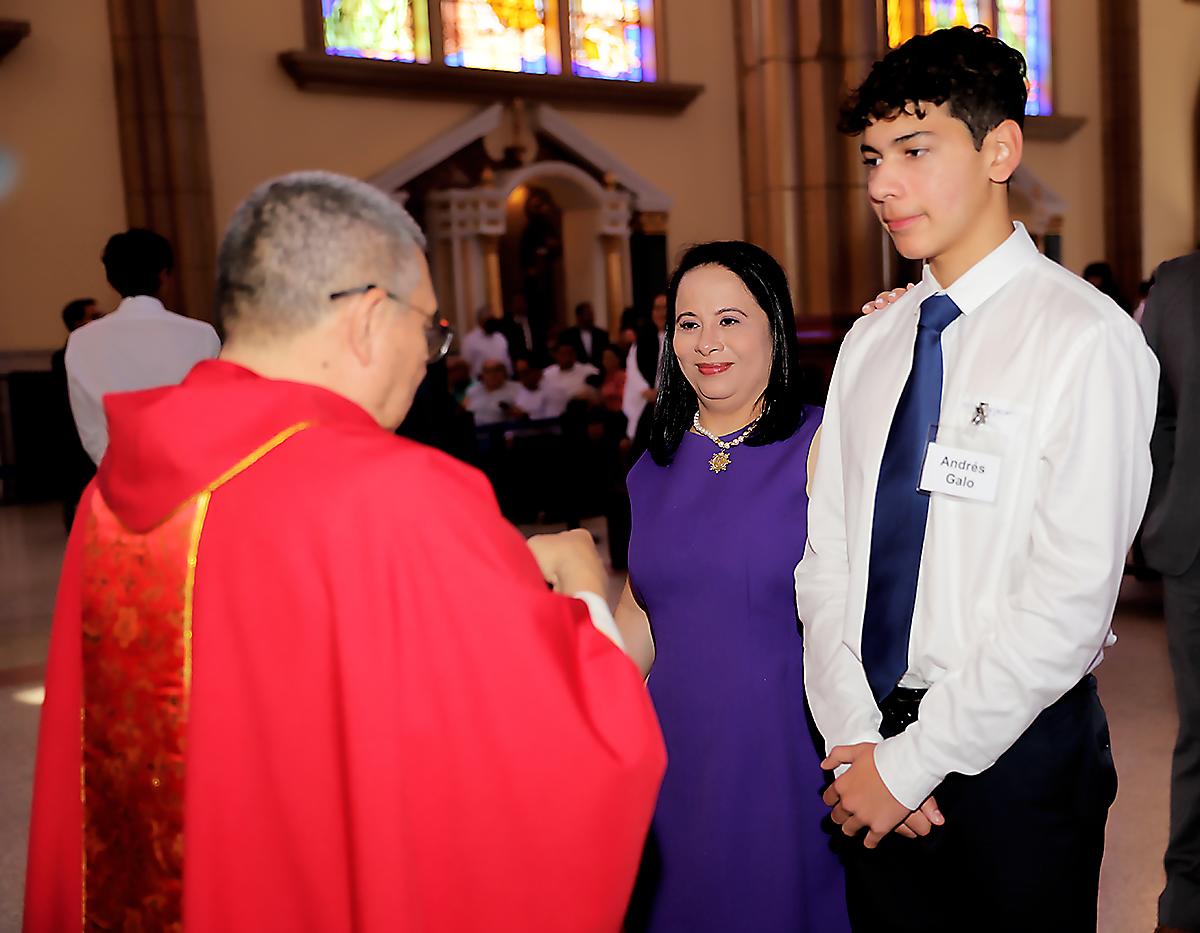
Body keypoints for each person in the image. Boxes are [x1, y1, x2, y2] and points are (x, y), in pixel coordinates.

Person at [24, 171, 665, 932]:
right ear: (368, 317)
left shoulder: (121, 487)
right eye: (430, 328)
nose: (430, 356)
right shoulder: (396, 493)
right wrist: (588, 592)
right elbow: (557, 758)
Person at [795, 26, 1159, 932]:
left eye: (916, 150)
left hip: (1015, 760)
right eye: (874, 156)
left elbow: (1068, 606)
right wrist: (856, 744)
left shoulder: (1085, 337)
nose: (883, 184)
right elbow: (828, 556)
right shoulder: (874, 340)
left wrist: (912, 765)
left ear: (1000, 148)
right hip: (867, 743)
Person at [617, 241, 848, 932]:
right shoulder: (651, 462)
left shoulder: (820, 444)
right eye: (687, 323)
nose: (706, 343)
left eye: (730, 319)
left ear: (774, 326)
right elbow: (643, 607)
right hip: (674, 755)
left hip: (783, 755)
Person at [1140, 249, 1200, 933]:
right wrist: (1164, 515)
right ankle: (1184, 908)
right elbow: (1156, 417)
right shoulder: (1179, 283)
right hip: (1197, 556)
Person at [64, 229, 221, 465]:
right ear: (164, 274)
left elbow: (89, 423)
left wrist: (109, 464)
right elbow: (210, 415)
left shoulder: (81, 340)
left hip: (116, 472)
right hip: (186, 471)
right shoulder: (202, 334)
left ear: (110, 279)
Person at [50, 298, 101, 529]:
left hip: (95, 423)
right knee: (76, 482)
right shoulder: (65, 355)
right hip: (73, 427)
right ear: (78, 322)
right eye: (94, 316)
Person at [622, 293, 667, 445]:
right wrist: (645, 390)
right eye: (657, 308)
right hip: (646, 403)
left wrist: (663, 392)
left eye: (665, 308)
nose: (661, 313)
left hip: (670, 404)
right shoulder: (642, 341)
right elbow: (632, 369)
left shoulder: (682, 338)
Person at [540, 340, 599, 418]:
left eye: (570, 353)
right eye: (563, 354)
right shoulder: (546, 374)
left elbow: (599, 393)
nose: (567, 357)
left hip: (581, 417)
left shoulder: (589, 370)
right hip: (552, 418)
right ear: (555, 355)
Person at [464, 358, 520, 426]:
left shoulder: (516, 389)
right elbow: (464, 410)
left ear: (504, 372)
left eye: (497, 370)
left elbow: (522, 414)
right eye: (488, 371)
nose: (492, 374)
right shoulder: (473, 390)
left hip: (503, 431)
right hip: (475, 431)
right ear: (482, 374)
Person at [460, 306, 511, 379]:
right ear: (480, 321)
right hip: (480, 383)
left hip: (502, 381)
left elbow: (507, 361)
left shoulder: (500, 338)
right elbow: (466, 365)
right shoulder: (470, 340)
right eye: (488, 320)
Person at [561, 301, 611, 368]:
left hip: (599, 373)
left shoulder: (602, 334)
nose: (591, 317)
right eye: (588, 314)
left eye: (592, 314)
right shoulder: (567, 335)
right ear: (579, 316)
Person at [599, 345, 627, 414]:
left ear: (618, 359)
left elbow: (624, 395)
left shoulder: (624, 375)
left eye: (609, 358)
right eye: (604, 358)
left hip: (621, 413)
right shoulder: (605, 376)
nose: (606, 361)